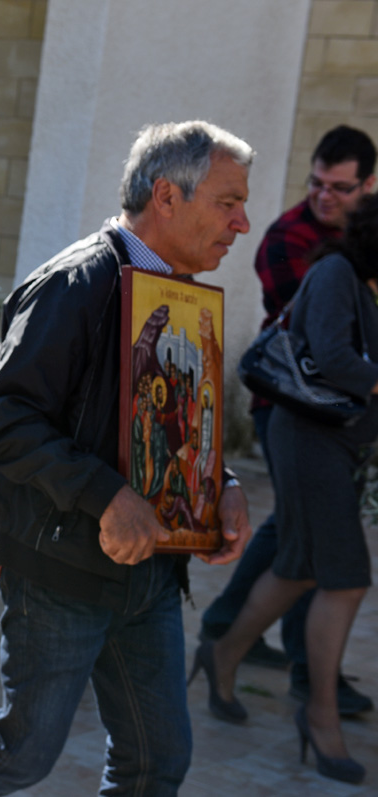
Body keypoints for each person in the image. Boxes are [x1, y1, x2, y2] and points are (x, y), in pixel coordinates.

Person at [0, 121, 254, 795]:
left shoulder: (182, 294)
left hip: (151, 579)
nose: (243, 223)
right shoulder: (75, 283)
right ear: (166, 195)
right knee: (22, 755)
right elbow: (1, 419)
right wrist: (105, 494)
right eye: (228, 201)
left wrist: (223, 482)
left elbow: (169, 423)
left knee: (158, 760)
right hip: (61, 576)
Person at [197, 194, 378, 786]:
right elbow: (332, 357)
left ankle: (225, 651)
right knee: (345, 578)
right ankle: (320, 714)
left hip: (339, 443)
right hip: (308, 437)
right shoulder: (336, 273)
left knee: (300, 566)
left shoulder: (367, 283)